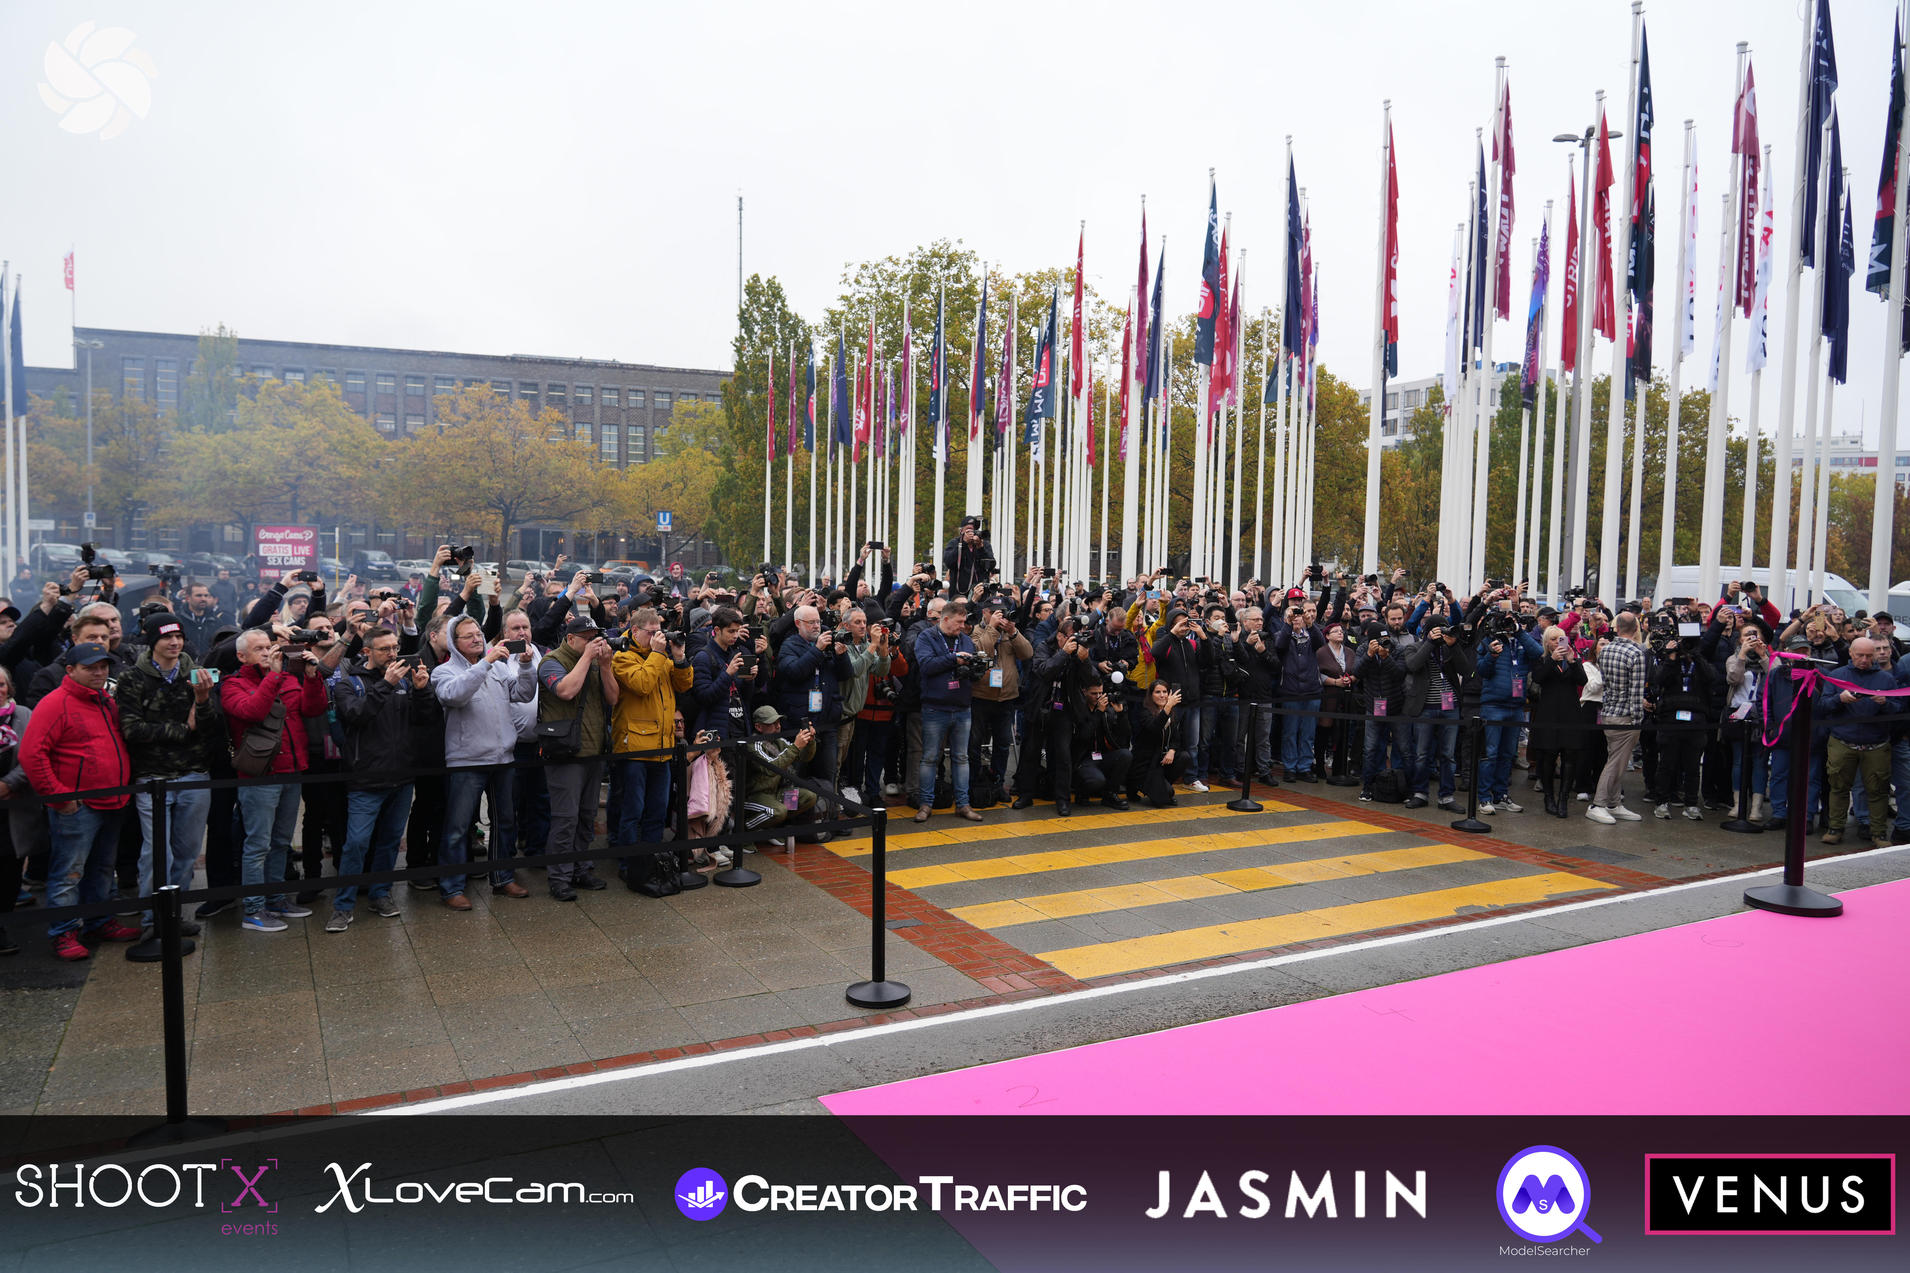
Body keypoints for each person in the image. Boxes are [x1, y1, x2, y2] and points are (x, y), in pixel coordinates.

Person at [20, 644, 139, 959]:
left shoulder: (105, 700)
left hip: (111, 800)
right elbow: (32, 754)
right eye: (90, 667)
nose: (99, 672)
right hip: (79, 806)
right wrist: (60, 797)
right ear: (70, 670)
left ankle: (99, 921)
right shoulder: (55, 703)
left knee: (102, 868)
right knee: (69, 873)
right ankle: (64, 932)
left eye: (103, 666)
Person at [116, 613, 221, 940]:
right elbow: (132, 729)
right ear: (152, 641)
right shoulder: (132, 678)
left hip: (194, 774)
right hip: (153, 778)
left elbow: (210, 727)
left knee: (187, 852)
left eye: (178, 636)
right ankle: (152, 921)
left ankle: (174, 915)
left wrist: (201, 701)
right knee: (156, 853)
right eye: (166, 637)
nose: (174, 643)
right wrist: (183, 729)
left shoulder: (197, 673)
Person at [326, 626, 437, 929]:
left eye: (395, 648)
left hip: (401, 777)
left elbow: (423, 720)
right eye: (385, 649)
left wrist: (422, 690)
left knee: (389, 842)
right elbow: (356, 715)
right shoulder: (349, 684)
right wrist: (386, 685)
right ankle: (343, 905)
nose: (392, 654)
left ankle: (380, 894)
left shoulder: (404, 682)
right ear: (367, 652)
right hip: (366, 779)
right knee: (356, 844)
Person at [222, 628, 329, 931]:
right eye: (259, 649)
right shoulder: (233, 684)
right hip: (260, 775)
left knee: (281, 842)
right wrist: (273, 675)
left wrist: (312, 677)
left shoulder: (288, 677)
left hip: (292, 770)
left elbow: (313, 708)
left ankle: (276, 899)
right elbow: (253, 712)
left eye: (269, 646)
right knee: (258, 845)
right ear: (241, 656)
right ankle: (254, 909)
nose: (267, 652)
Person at [430, 613, 537, 910]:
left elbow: (524, 693)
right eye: (469, 636)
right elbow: (455, 696)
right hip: (467, 761)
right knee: (458, 826)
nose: (477, 638)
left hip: (503, 757)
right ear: (454, 642)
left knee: (506, 821)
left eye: (478, 633)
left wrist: (526, 665)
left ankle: (503, 877)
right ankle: (452, 887)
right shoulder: (444, 672)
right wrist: (486, 662)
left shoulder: (499, 667)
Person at [610, 606, 693, 883]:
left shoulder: (661, 656)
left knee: (657, 811)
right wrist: (659, 654)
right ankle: (628, 864)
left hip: (662, 747)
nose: (658, 637)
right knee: (633, 811)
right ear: (635, 631)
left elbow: (684, 685)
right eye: (652, 632)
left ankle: (652, 862)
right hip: (635, 748)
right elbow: (642, 684)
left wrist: (679, 658)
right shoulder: (622, 656)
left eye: (660, 632)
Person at [540, 615, 619, 900]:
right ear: (570, 638)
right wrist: (587, 657)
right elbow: (565, 690)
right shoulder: (551, 661)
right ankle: (559, 877)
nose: (593, 643)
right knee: (566, 818)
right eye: (587, 638)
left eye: (595, 638)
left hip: (594, 750)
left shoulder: (597, 662)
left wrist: (606, 666)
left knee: (587, 816)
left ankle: (580, 868)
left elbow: (613, 698)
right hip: (566, 754)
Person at [1818, 637, 1899, 848]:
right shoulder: (1837, 676)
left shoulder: (1886, 679)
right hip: (1842, 741)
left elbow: (1898, 709)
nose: (1864, 660)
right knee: (1838, 787)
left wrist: (1885, 703)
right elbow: (1823, 706)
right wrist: (1840, 699)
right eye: (1860, 655)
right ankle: (1835, 828)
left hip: (1876, 743)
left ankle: (1879, 833)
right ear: (1851, 654)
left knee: (1878, 790)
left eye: (1869, 656)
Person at [913, 598, 984, 823]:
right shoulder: (927, 637)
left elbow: (971, 670)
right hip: (935, 708)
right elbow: (926, 665)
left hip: (962, 707)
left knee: (961, 758)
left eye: (964, 621)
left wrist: (976, 669)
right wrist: (954, 659)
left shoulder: (966, 640)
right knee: (930, 758)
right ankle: (926, 804)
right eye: (959, 622)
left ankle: (963, 804)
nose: (963, 626)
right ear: (945, 619)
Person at [776, 604, 854, 787]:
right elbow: (794, 672)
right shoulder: (789, 645)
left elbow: (846, 675)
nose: (816, 626)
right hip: (800, 724)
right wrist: (817, 650)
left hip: (827, 722)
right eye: (811, 622)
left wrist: (841, 656)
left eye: (818, 621)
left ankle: (827, 805)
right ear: (798, 623)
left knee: (828, 776)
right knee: (796, 777)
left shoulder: (828, 642)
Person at [1474, 614, 1544, 814]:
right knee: (1491, 754)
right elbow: (1481, 670)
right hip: (1493, 705)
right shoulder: (1489, 640)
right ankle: (1484, 798)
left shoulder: (1521, 640)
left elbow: (1538, 652)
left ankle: (1501, 795)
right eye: (1504, 622)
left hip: (1516, 706)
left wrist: (1519, 631)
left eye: (1510, 622)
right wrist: (1491, 655)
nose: (1507, 626)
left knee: (1508, 754)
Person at [1402, 617, 1474, 810]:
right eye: (1436, 630)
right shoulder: (1414, 647)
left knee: (1448, 755)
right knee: (1422, 754)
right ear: (1427, 631)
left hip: (1450, 708)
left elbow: (1466, 670)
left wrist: (1453, 645)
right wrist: (1429, 643)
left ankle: (1446, 797)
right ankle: (1420, 793)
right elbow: (1413, 665)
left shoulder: (1448, 647)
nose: (1440, 633)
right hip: (1425, 708)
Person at [1650, 632, 1721, 822]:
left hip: (1696, 721)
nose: (1686, 647)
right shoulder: (1670, 662)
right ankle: (1661, 802)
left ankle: (1691, 804)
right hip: (1670, 720)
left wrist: (1696, 655)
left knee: (1692, 767)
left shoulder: (1700, 663)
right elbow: (1658, 679)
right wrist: (1671, 657)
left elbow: (1712, 677)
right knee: (1666, 765)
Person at [1586, 611, 1648, 825]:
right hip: (1625, 716)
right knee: (1615, 762)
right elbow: (1636, 692)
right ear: (1637, 628)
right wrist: (1638, 720)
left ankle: (1613, 803)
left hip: (1608, 713)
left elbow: (1606, 682)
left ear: (1617, 628)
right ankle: (1598, 804)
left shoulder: (1606, 650)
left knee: (1617, 760)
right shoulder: (1637, 653)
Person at [969, 598, 1032, 798]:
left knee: (1003, 744)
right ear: (985, 612)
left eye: (1003, 612)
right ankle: (974, 783)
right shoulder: (975, 630)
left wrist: (1013, 632)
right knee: (974, 744)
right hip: (980, 696)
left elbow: (1027, 653)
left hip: (1006, 698)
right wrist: (992, 628)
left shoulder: (1009, 632)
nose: (1001, 616)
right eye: (995, 612)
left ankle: (998, 783)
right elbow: (981, 653)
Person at [738, 706, 819, 836]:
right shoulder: (753, 745)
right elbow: (771, 768)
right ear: (758, 727)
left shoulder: (778, 741)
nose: (778, 726)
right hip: (755, 796)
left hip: (776, 792)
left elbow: (804, 757)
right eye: (772, 723)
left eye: (778, 722)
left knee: (809, 797)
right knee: (778, 811)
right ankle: (743, 832)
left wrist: (810, 742)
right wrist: (796, 746)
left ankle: (771, 827)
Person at [1072, 679, 1133, 809]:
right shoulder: (1079, 709)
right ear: (1084, 692)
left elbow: (1125, 735)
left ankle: (1110, 795)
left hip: (1102, 755)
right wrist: (1099, 712)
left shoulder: (1107, 709)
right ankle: (1082, 792)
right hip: (1083, 759)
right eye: (1094, 693)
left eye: (1100, 693)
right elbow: (1084, 736)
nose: (1098, 697)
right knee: (1097, 781)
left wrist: (1121, 714)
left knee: (1125, 755)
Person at [1130, 680, 1188, 807]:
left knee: (1184, 756)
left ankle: (1164, 785)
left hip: (1160, 761)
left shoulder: (1171, 711)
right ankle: (1138, 786)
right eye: (1157, 692)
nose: (1162, 695)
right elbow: (1154, 728)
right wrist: (1167, 708)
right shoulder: (1144, 711)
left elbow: (1176, 738)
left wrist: (1172, 751)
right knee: (1163, 799)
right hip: (1146, 764)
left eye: (1165, 692)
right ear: (1151, 695)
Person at [942, 517, 996, 596]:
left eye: (973, 530)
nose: (971, 533)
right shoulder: (954, 543)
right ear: (961, 531)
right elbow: (949, 563)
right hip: (958, 592)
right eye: (968, 530)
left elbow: (991, 566)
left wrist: (980, 548)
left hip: (980, 592)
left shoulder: (984, 544)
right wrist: (964, 543)